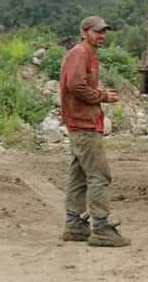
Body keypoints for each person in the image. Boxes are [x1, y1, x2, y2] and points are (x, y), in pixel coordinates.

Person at [60, 16, 130, 247]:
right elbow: (76, 85)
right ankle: (100, 228)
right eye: (97, 32)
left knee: (79, 176)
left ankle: (74, 225)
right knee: (99, 175)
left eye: (103, 32)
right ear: (84, 32)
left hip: (82, 124)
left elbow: (79, 85)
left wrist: (99, 95)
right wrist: (102, 96)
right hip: (84, 125)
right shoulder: (80, 53)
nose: (102, 35)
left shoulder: (86, 54)